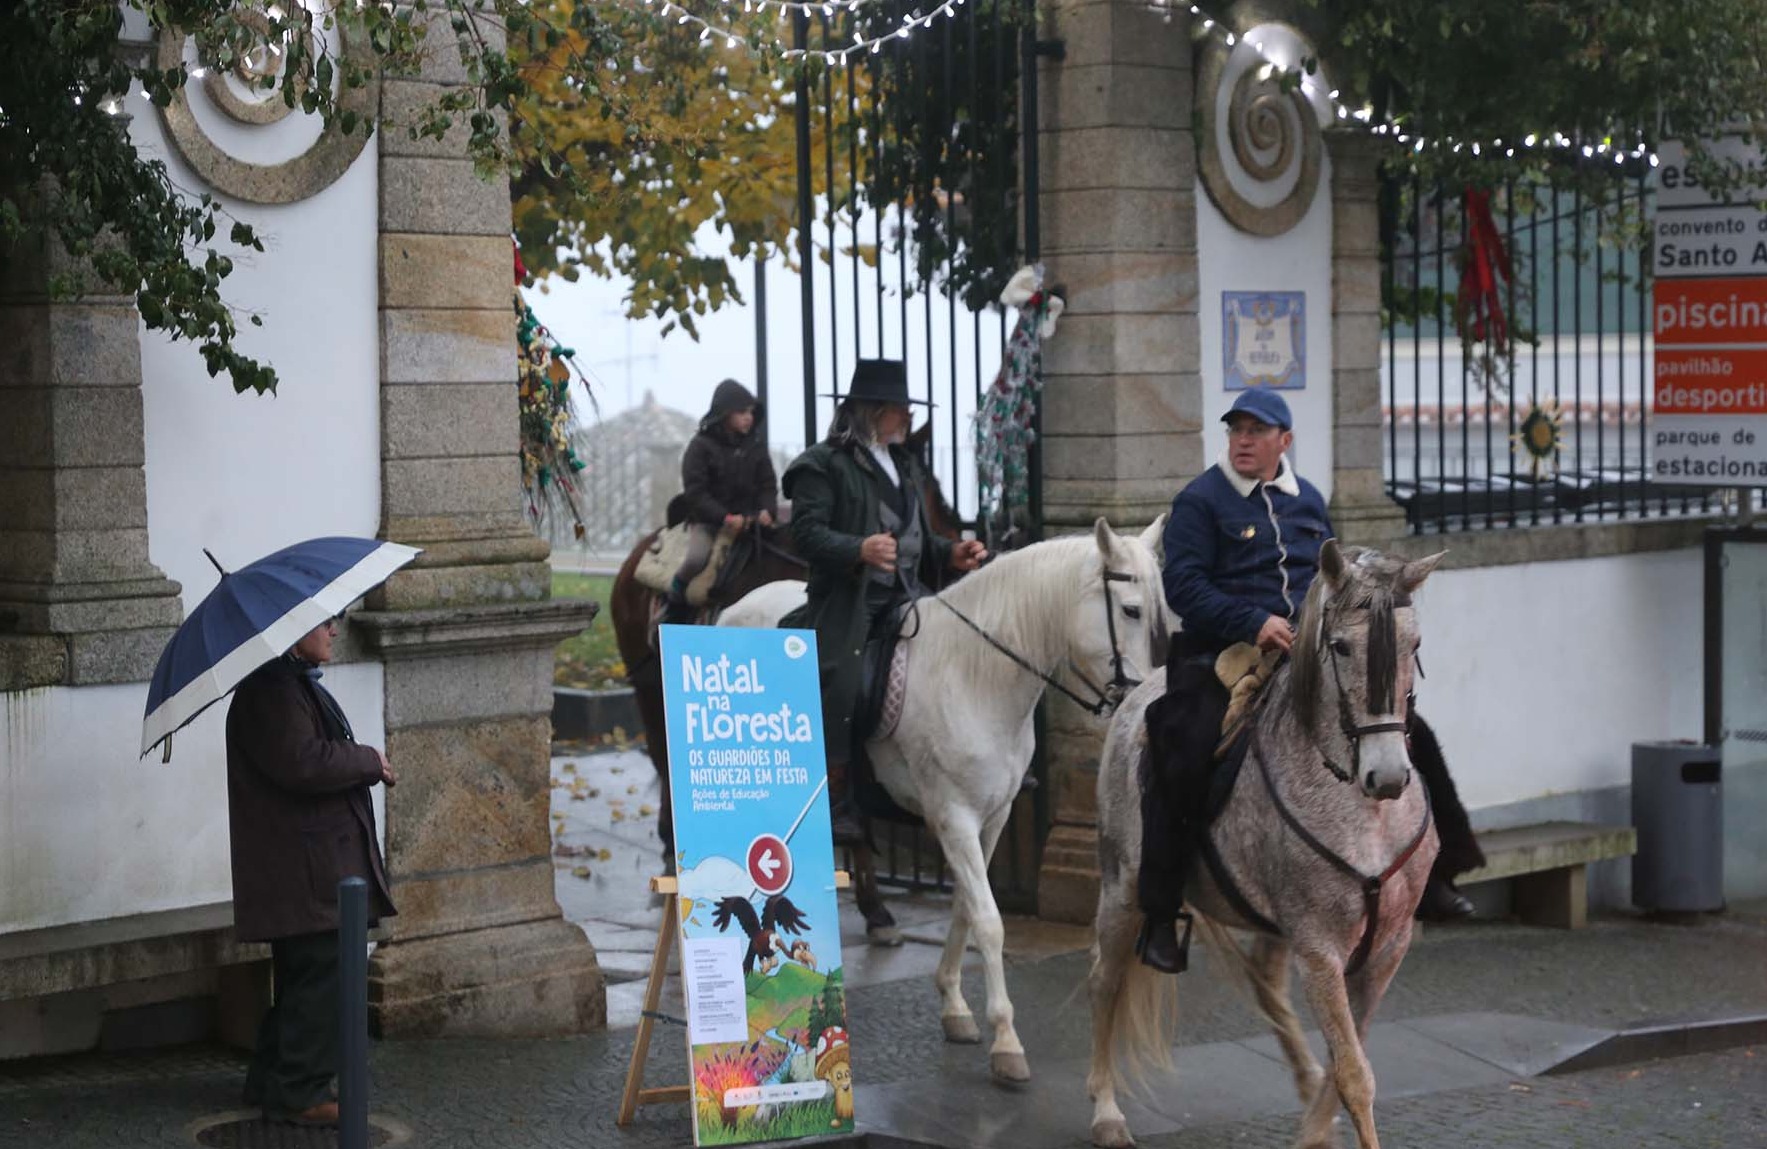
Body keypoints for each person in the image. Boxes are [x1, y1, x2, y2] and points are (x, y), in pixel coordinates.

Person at [1136, 389, 1482, 974]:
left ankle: (1439, 875)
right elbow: (1184, 586)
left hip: (1304, 655)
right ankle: (1161, 912)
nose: (1243, 440)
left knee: (1409, 730)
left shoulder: (1310, 501)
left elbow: (1334, 580)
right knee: (1184, 746)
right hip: (1217, 655)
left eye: (1256, 431)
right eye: (1237, 430)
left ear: (1284, 441)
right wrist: (1252, 620)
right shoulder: (1200, 500)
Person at [779, 359, 987, 843]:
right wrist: (858, 549)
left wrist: (950, 552)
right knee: (844, 680)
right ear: (872, 411)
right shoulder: (821, 465)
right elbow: (805, 535)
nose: (908, 417)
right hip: (850, 602)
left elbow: (915, 539)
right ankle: (835, 798)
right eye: (899, 408)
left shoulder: (905, 464)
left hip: (908, 596)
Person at [227, 616, 397, 1126]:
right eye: (324, 622)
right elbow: (303, 762)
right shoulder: (272, 691)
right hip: (307, 870)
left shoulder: (286, 683)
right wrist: (367, 760)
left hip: (310, 866)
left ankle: (271, 1080)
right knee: (320, 979)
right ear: (293, 628)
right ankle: (299, 1093)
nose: (334, 631)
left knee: (306, 979)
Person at [662, 379, 779, 624]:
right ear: (725, 414)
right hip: (709, 523)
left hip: (752, 525)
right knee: (696, 558)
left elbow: (768, 484)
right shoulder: (700, 447)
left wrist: (768, 511)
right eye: (741, 412)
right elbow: (696, 493)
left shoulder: (756, 447)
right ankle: (674, 601)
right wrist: (725, 518)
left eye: (751, 412)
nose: (748, 417)